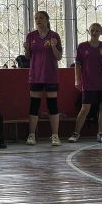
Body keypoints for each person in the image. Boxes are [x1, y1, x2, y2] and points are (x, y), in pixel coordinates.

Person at [24, 11, 62, 146]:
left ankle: (55, 136)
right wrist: (26, 49)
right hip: (35, 75)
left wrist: (53, 46)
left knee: (52, 105)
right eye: (36, 18)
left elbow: (59, 57)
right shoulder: (31, 36)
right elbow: (28, 57)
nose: (38, 20)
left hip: (50, 75)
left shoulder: (54, 35)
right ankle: (31, 135)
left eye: (41, 18)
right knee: (34, 105)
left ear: (47, 19)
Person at [69, 23, 102, 144]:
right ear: (89, 31)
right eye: (92, 30)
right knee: (85, 108)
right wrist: (77, 79)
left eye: (97, 30)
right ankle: (76, 133)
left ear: (101, 32)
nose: (95, 32)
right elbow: (78, 64)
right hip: (88, 82)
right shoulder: (82, 46)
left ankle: (101, 134)